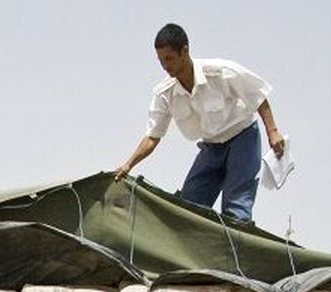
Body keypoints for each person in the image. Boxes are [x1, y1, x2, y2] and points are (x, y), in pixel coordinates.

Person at [114, 23, 285, 222]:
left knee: (236, 211)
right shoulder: (165, 93)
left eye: (169, 58)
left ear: (184, 51)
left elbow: (258, 96)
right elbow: (153, 136)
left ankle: (235, 248)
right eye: (161, 60)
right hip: (211, 147)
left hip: (243, 139)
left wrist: (272, 131)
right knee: (188, 207)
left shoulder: (221, 72)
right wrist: (128, 165)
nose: (165, 66)